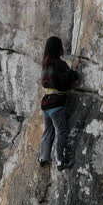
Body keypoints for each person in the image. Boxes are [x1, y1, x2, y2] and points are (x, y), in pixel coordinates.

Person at [39, 36, 79, 170]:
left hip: (46, 103)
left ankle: (43, 157)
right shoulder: (59, 64)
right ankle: (60, 161)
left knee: (48, 130)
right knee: (61, 132)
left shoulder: (45, 63)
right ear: (58, 48)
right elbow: (64, 82)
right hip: (56, 105)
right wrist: (74, 72)